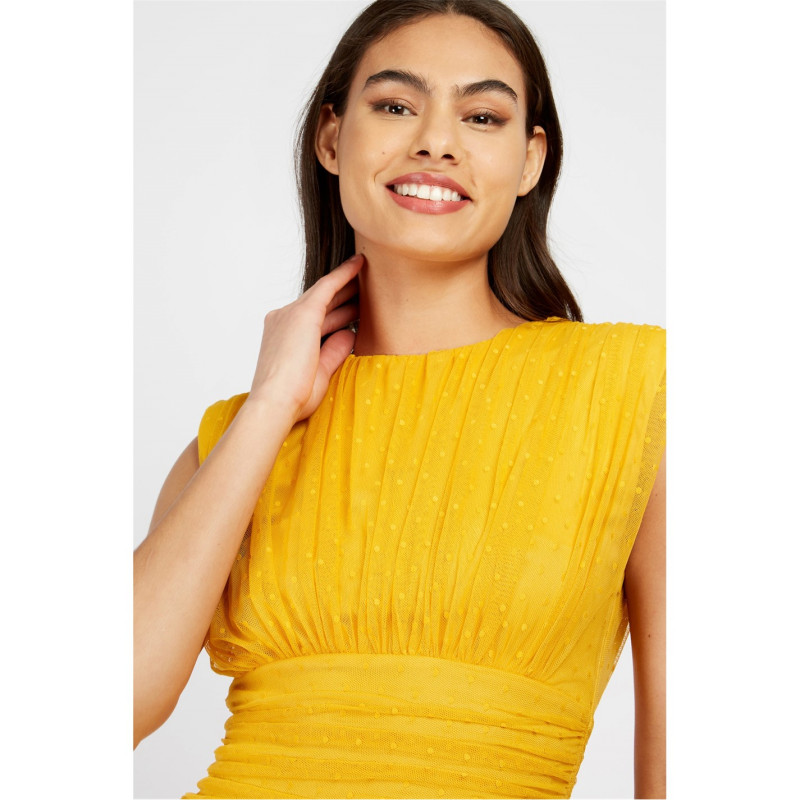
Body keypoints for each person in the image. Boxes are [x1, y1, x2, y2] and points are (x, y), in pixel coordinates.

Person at [134, 0, 665, 797]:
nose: (436, 141)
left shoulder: (635, 391)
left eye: (482, 117)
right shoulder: (235, 437)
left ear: (530, 161)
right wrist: (271, 404)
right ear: (330, 138)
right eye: (394, 105)